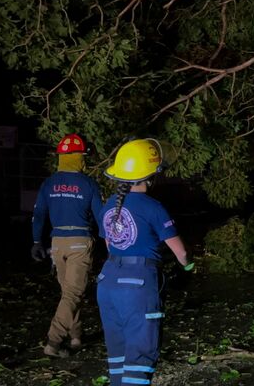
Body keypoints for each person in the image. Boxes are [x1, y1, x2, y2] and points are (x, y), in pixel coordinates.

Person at [97, 139, 193, 386]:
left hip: (107, 282)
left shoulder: (108, 206)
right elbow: (180, 252)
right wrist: (188, 267)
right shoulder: (154, 207)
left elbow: (110, 245)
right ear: (149, 177)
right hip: (138, 285)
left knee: (118, 358)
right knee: (140, 358)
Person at [31, 133, 103, 358]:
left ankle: (76, 336)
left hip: (57, 244)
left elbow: (38, 215)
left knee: (69, 293)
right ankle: (54, 341)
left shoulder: (49, 183)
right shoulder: (89, 184)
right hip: (80, 243)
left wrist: (36, 241)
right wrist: (110, 243)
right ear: (80, 157)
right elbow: (101, 218)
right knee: (73, 293)